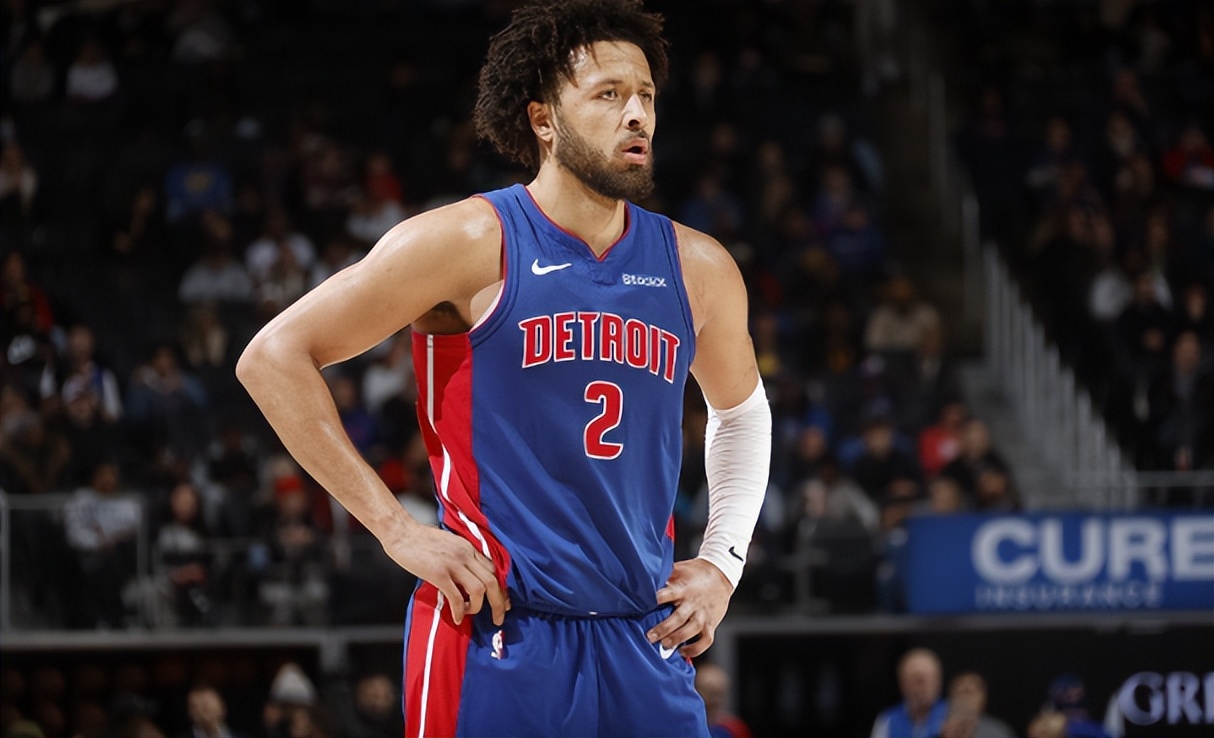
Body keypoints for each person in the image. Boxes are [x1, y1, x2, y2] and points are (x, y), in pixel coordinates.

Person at [236, 1, 770, 735]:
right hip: (496, 629)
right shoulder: (464, 241)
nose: (636, 115)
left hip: (643, 633)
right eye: (609, 94)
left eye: (646, 96)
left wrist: (723, 564)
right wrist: (395, 529)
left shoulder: (698, 266)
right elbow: (272, 358)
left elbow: (741, 412)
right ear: (544, 120)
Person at [871, 648, 949, 738]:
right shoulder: (887, 720)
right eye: (915, 680)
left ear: (938, 682)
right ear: (902, 684)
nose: (921, 688)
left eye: (926, 679)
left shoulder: (952, 714)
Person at [693, 662, 752, 738]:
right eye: (707, 689)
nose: (713, 698)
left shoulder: (734, 728)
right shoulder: (686, 725)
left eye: (717, 692)